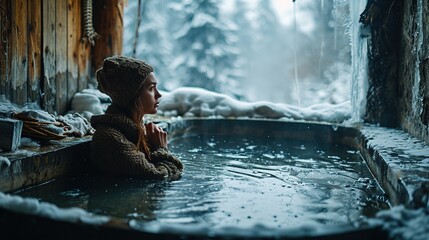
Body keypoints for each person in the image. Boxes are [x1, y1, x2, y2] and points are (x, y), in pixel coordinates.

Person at [90, 55, 183, 180]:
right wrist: (161, 149)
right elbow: (159, 177)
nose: (158, 94)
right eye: (151, 88)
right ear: (132, 96)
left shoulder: (134, 129)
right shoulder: (110, 139)